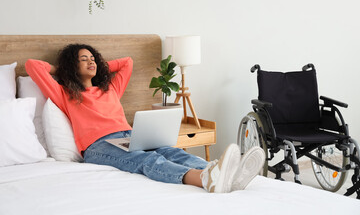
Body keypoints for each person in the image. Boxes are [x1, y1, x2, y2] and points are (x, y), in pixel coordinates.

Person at [25, 44, 265, 193]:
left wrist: (99, 66)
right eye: (84, 59)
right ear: (71, 66)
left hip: (131, 136)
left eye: (93, 58)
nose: (92, 62)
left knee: (172, 152)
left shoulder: (109, 89)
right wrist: (63, 70)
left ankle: (225, 173)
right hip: (97, 147)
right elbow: (32, 65)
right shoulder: (66, 94)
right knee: (146, 160)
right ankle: (205, 179)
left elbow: (127, 63)